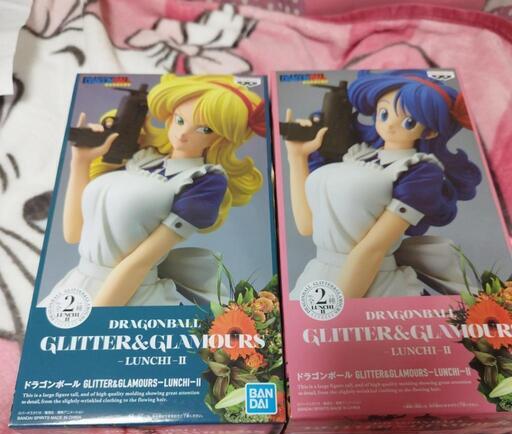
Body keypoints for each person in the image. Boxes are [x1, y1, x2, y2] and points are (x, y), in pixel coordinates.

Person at [43, 74, 266, 307]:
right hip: (76, 285)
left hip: (130, 295)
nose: (183, 133)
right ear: (170, 118)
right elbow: (74, 234)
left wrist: (99, 318)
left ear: (221, 137)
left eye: (204, 129)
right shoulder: (140, 157)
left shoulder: (204, 181)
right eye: (180, 120)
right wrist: (80, 161)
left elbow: (140, 263)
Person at [285, 70, 481, 299]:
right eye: (384, 113)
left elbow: (372, 249)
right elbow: (307, 226)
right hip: (319, 274)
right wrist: (296, 157)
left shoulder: (420, 171)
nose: (390, 125)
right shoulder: (355, 153)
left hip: (370, 282)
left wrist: (340, 305)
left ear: (430, 131)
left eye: (408, 121)